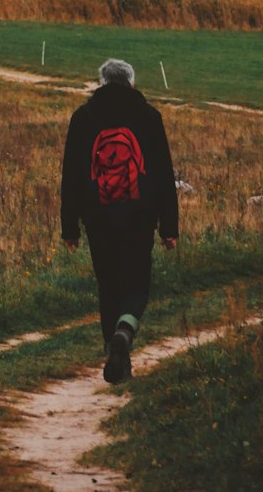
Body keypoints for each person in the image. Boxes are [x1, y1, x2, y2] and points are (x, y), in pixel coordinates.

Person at [60, 58, 179, 384]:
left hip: (98, 216)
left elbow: (70, 176)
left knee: (109, 284)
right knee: (137, 286)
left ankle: (113, 352)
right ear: (131, 83)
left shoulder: (83, 119)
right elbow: (164, 175)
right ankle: (124, 334)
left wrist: (69, 228)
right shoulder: (149, 117)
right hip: (140, 218)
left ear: (101, 83)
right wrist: (169, 227)